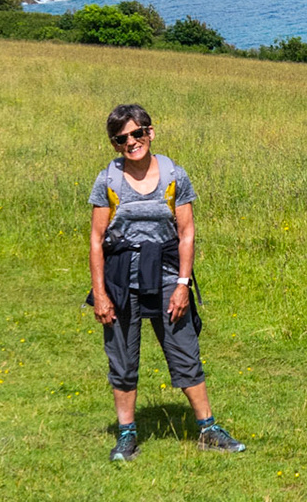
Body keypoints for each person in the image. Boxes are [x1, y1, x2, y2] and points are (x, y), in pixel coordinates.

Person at [88, 102, 245, 462]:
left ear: (150, 132)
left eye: (137, 133)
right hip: (119, 279)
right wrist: (100, 293)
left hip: (167, 275)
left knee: (185, 350)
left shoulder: (175, 175)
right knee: (123, 358)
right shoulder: (107, 180)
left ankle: (208, 429)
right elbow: (97, 239)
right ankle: (127, 435)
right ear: (115, 144)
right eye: (121, 138)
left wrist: (182, 284)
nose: (131, 142)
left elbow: (186, 232)